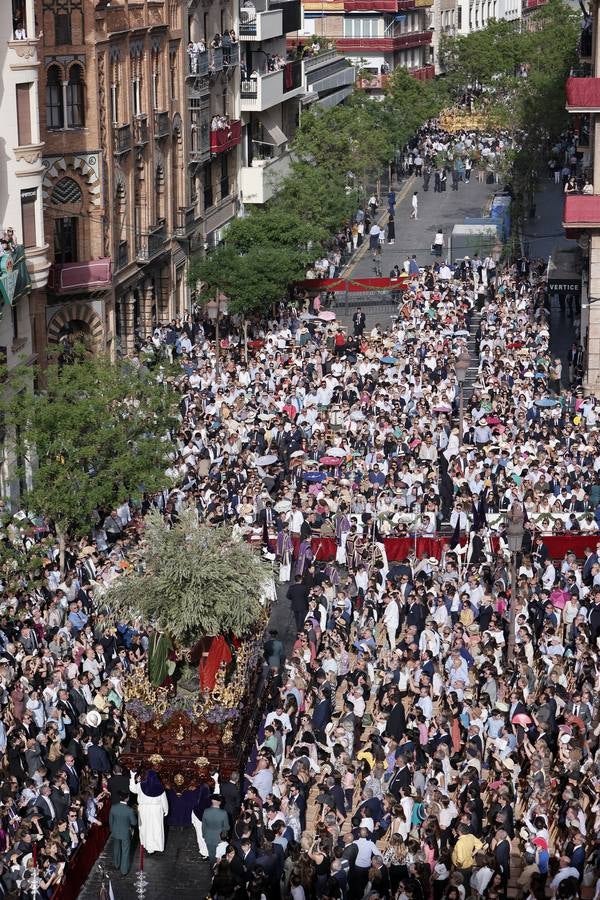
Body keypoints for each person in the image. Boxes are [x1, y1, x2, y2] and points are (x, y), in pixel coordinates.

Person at [129, 770, 169, 854]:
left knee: (146, 828)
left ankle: (148, 846)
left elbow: (132, 789)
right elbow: (164, 801)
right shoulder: (160, 787)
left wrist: (133, 777)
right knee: (156, 828)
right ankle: (156, 846)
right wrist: (166, 810)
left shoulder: (140, 785)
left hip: (144, 810)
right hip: (156, 811)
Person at [109, 791, 137, 876]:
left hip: (115, 831)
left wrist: (112, 830)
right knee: (125, 851)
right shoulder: (129, 810)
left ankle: (116, 864)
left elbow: (110, 821)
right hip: (125, 833)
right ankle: (124, 870)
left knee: (116, 848)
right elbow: (134, 823)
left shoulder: (113, 807)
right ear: (127, 798)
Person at [201, 794, 230, 861]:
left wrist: (204, 835)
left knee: (211, 855)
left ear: (212, 801)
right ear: (220, 802)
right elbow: (226, 827)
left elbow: (204, 825)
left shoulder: (206, 811)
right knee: (220, 856)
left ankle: (212, 868)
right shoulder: (223, 813)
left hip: (208, 836)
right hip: (219, 838)